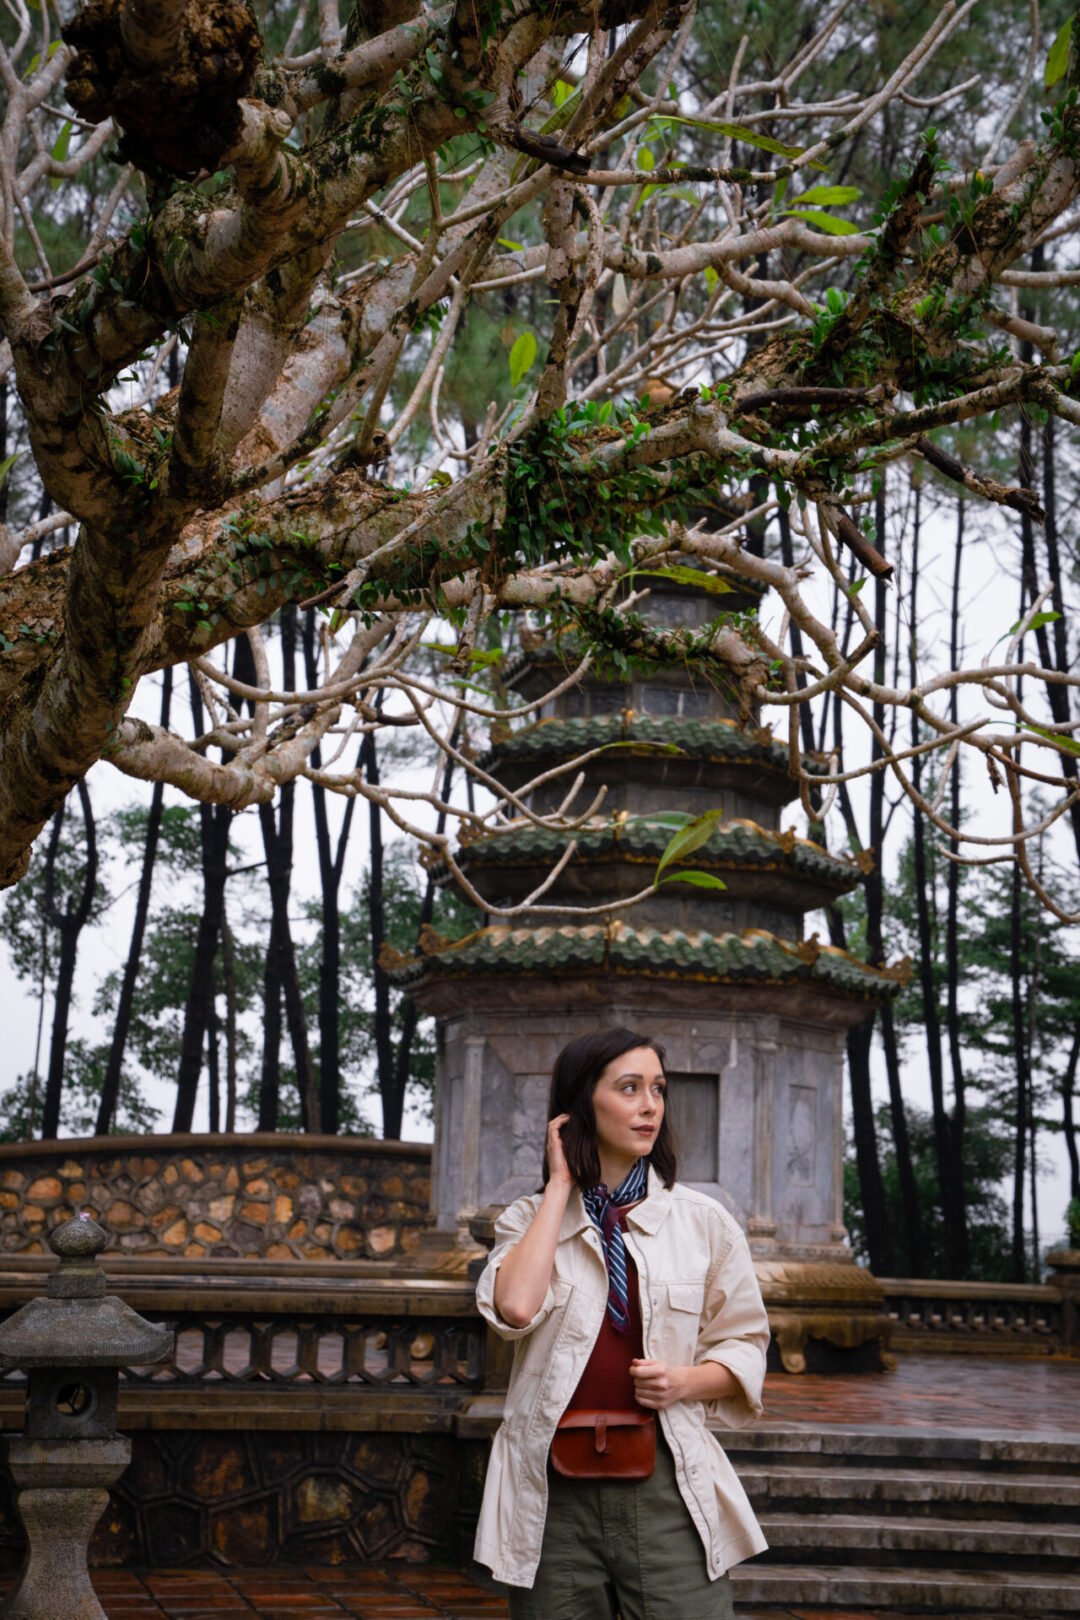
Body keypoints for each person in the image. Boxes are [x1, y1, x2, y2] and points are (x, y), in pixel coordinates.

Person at [473, 1027, 771, 1620]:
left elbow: (745, 1341)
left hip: (665, 1481)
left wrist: (685, 1383)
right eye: (629, 1088)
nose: (649, 1105)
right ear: (584, 1102)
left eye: (657, 1089)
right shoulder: (528, 1221)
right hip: (550, 1491)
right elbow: (515, 1308)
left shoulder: (703, 1222)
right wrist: (561, 1184)